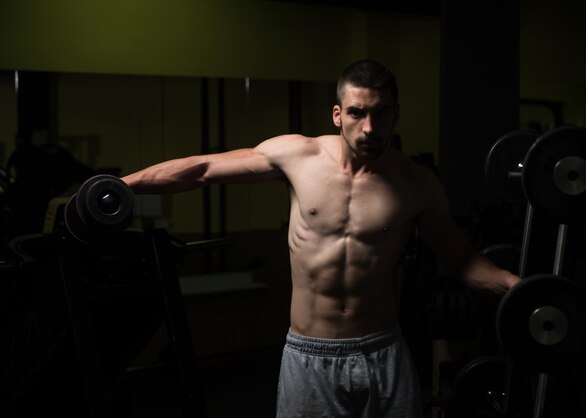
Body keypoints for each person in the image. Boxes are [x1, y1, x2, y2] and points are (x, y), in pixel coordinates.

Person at [121, 59, 520, 418]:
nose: (369, 127)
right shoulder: (298, 157)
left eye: (381, 114)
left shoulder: (417, 184)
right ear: (336, 114)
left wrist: (521, 288)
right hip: (309, 355)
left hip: (383, 351)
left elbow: (465, 261)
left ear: (395, 115)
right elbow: (203, 168)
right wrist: (121, 186)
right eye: (357, 113)